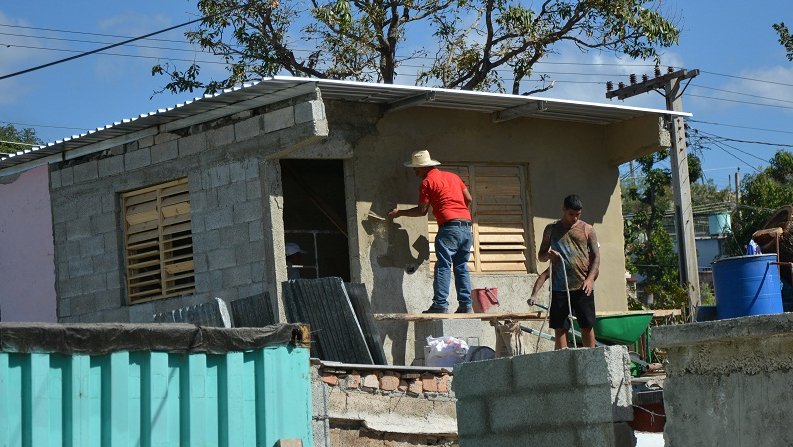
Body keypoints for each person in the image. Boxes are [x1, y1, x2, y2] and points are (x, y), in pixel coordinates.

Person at [388, 149, 474, 314]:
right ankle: (466, 305)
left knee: (443, 266)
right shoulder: (454, 177)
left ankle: (440, 304)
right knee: (461, 266)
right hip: (466, 227)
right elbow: (468, 198)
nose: (415, 172)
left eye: (416, 168)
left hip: (449, 227)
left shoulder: (427, 182)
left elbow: (422, 211)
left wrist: (399, 213)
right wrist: (459, 213)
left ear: (424, 167)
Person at [537, 194, 600, 349]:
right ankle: (562, 362)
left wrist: (590, 279)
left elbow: (596, 257)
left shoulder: (587, 229)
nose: (574, 218)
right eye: (571, 214)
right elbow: (541, 255)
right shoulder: (551, 229)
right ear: (563, 210)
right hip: (560, 287)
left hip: (582, 285)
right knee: (560, 327)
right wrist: (548, 255)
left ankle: (591, 358)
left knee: (587, 325)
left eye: (578, 215)